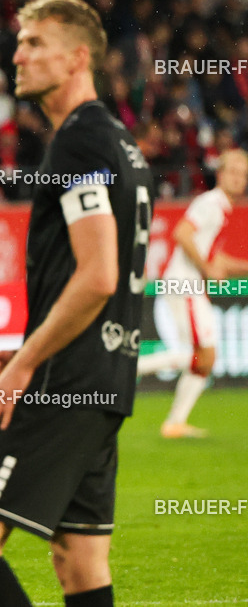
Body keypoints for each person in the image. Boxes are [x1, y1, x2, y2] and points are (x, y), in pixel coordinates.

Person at [0, 0, 154, 607]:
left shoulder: (80, 142)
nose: (18, 55)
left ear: (78, 56)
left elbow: (98, 276)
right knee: (80, 562)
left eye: (35, 42)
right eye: (19, 42)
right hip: (108, 374)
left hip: (67, 378)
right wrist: (36, 339)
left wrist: (27, 362)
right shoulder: (120, 141)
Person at [136, 149, 248, 438]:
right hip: (184, 284)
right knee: (201, 356)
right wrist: (205, 268)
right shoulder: (210, 203)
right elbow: (182, 233)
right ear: (220, 174)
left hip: (188, 284)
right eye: (234, 172)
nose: (239, 179)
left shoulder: (221, 208)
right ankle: (131, 366)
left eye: (243, 174)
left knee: (204, 358)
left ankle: (175, 422)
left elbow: (216, 260)